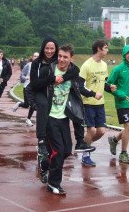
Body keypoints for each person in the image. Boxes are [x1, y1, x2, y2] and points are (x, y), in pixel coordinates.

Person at [28, 37, 94, 183]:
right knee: (53, 148)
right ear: (43, 48)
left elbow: (74, 71)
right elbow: (33, 84)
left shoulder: (61, 64)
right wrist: (51, 81)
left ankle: (45, 164)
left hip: (62, 113)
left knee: (64, 151)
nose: (50, 51)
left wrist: (62, 78)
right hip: (46, 108)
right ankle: (52, 180)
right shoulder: (41, 65)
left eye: (53, 49)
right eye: (47, 48)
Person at [45, 44, 86, 195]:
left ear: (71, 59)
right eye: (60, 56)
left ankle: (44, 163)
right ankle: (53, 183)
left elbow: (78, 87)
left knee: (67, 150)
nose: (61, 59)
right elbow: (31, 88)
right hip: (49, 117)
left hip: (63, 117)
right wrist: (38, 106)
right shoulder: (48, 69)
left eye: (65, 57)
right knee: (58, 150)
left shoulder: (73, 73)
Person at [79, 39, 116, 166]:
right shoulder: (86, 65)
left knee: (101, 131)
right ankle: (86, 155)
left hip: (100, 104)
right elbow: (80, 87)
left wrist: (110, 88)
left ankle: (83, 145)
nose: (107, 50)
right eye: (105, 47)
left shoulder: (104, 65)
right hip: (88, 103)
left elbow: (104, 83)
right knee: (92, 131)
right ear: (98, 49)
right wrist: (94, 94)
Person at [12, 52, 39, 126]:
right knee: (27, 105)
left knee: (33, 104)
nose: (36, 57)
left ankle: (28, 119)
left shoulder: (40, 66)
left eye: (37, 56)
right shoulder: (28, 65)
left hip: (36, 88)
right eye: (35, 56)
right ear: (32, 57)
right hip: (27, 87)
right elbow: (22, 75)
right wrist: (26, 78)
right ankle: (19, 104)